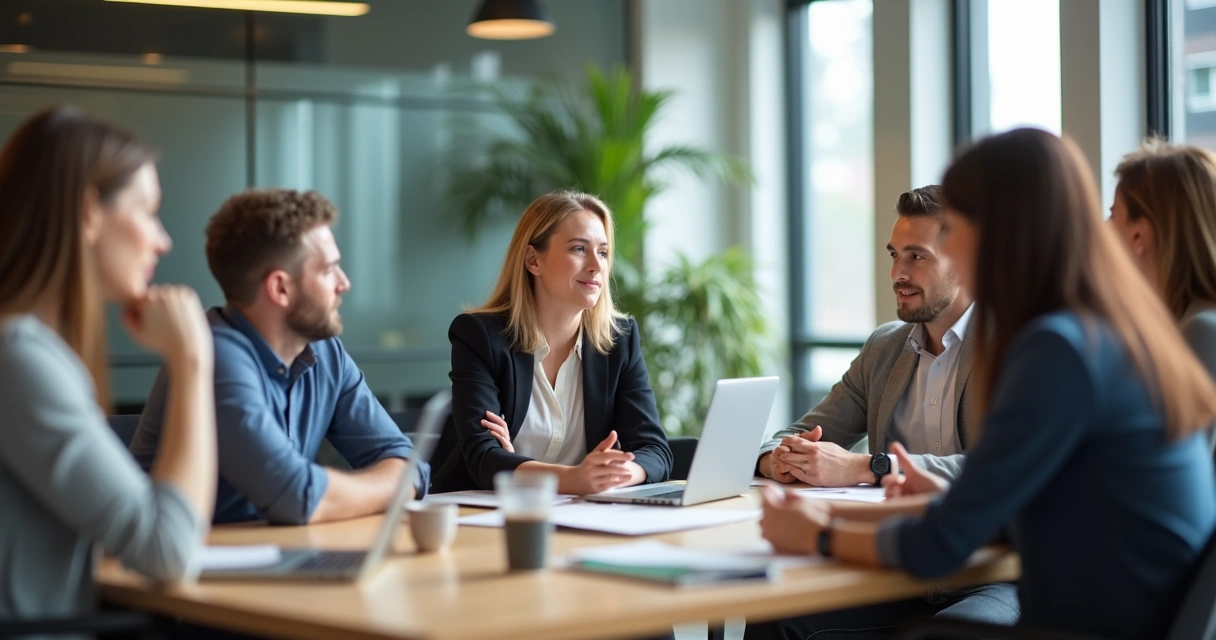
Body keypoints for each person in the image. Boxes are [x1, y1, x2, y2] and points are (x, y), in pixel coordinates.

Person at [753, 128, 1216, 640]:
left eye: (955, 230)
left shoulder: (1060, 349)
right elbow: (1050, 507)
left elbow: (942, 543)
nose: (945, 245)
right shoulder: (1096, 334)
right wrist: (937, 500)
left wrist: (819, 535)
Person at [0, 106, 216, 620]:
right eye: (146, 210)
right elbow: (169, 550)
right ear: (88, 214)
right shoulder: (18, 358)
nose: (162, 239)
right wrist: (190, 362)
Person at [130, 188, 427, 525]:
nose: (344, 283)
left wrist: (333, 494)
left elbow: (406, 461)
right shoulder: (214, 356)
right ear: (280, 288)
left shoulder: (324, 351)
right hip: (192, 569)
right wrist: (389, 486)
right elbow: (297, 498)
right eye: (329, 270)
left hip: (277, 556)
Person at [432, 190, 673, 495]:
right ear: (533, 260)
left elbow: (655, 450)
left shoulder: (619, 341)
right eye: (578, 249)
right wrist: (574, 478)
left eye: (602, 252)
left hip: (580, 516)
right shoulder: (480, 337)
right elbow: (484, 460)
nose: (596, 266)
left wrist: (612, 475)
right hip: (479, 516)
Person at [758, 186, 975, 489]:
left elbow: (1002, 466)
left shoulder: (1012, 347)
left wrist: (869, 467)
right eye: (894, 255)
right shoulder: (884, 347)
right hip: (884, 526)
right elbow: (798, 435)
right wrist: (778, 461)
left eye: (917, 256)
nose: (897, 273)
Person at [1109, 140, 1216, 400]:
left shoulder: (1200, 331)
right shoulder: (1188, 323)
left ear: (1139, 235)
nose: (1104, 228)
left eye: (1113, 216)